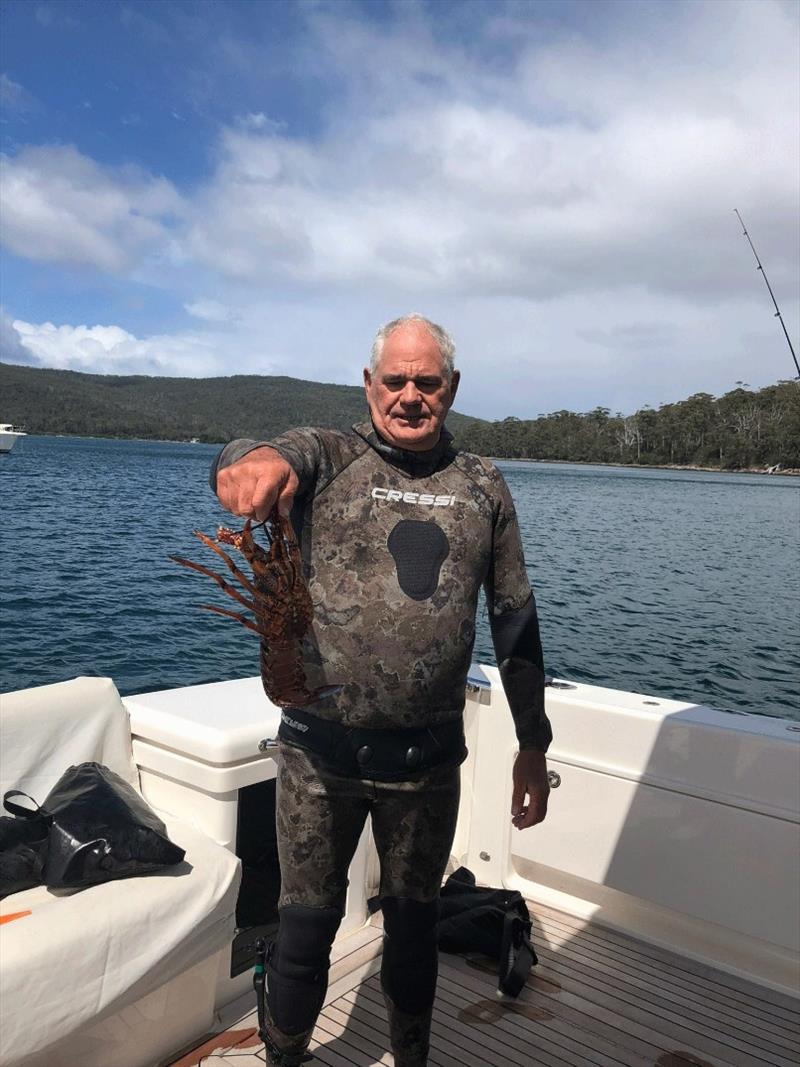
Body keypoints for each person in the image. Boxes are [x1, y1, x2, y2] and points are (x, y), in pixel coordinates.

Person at [211, 314, 552, 1067]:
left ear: (451, 388)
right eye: (393, 379)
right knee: (303, 930)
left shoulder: (483, 485)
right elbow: (265, 454)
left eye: (426, 381)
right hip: (316, 758)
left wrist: (534, 743)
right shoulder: (329, 458)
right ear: (368, 385)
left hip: (427, 764)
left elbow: (515, 621)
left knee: (412, 928)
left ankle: (410, 1057)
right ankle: (286, 1055)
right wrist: (247, 462)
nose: (408, 395)